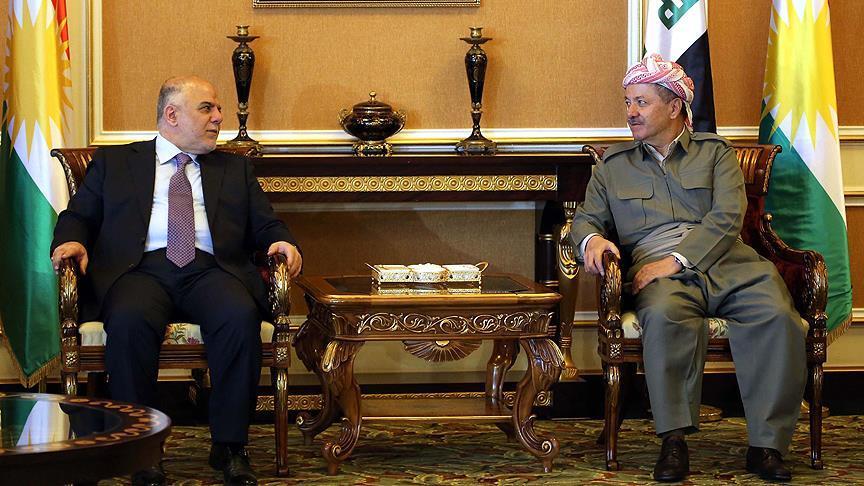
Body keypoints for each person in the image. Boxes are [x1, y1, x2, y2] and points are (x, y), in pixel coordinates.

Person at [51, 75, 301, 486]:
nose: (218, 117)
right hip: (140, 271)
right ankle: (141, 449)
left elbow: (265, 223)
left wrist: (282, 242)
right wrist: (71, 241)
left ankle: (230, 447)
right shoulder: (117, 162)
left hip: (212, 270)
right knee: (129, 321)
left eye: (218, 109)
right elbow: (78, 215)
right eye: (207, 108)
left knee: (239, 317)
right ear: (172, 115)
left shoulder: (234, 168)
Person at [570, 54, 806, 482]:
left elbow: (729, 216)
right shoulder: (613, 166)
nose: (631, 112)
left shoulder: (716, 154)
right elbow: (586, 219)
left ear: (674, 106)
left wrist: (676, 260)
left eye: (641, 102)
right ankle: (674, 441)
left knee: (777, 316)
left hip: (729, 261)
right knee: (664, 316)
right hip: (657, 270)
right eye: (628, 102)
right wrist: (593, 240)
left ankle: (767, 446)